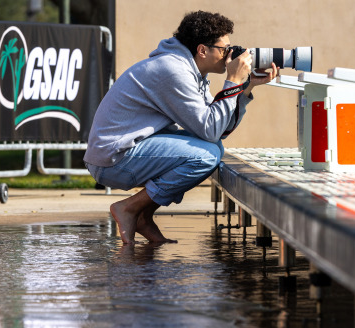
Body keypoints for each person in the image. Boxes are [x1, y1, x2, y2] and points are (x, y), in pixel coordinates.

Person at [84, 10, 278, 244]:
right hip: (113, 159)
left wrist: (245, 89)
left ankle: (143, 215)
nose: (229, 55)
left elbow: (218, 129)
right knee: (206, 155)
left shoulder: (191, 71)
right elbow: (210, 129)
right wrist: (233, 81)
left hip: (122, 152)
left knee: (213, 148)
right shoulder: (173, 70)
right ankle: (129, 208)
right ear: (202, 49)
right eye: (224, 49)